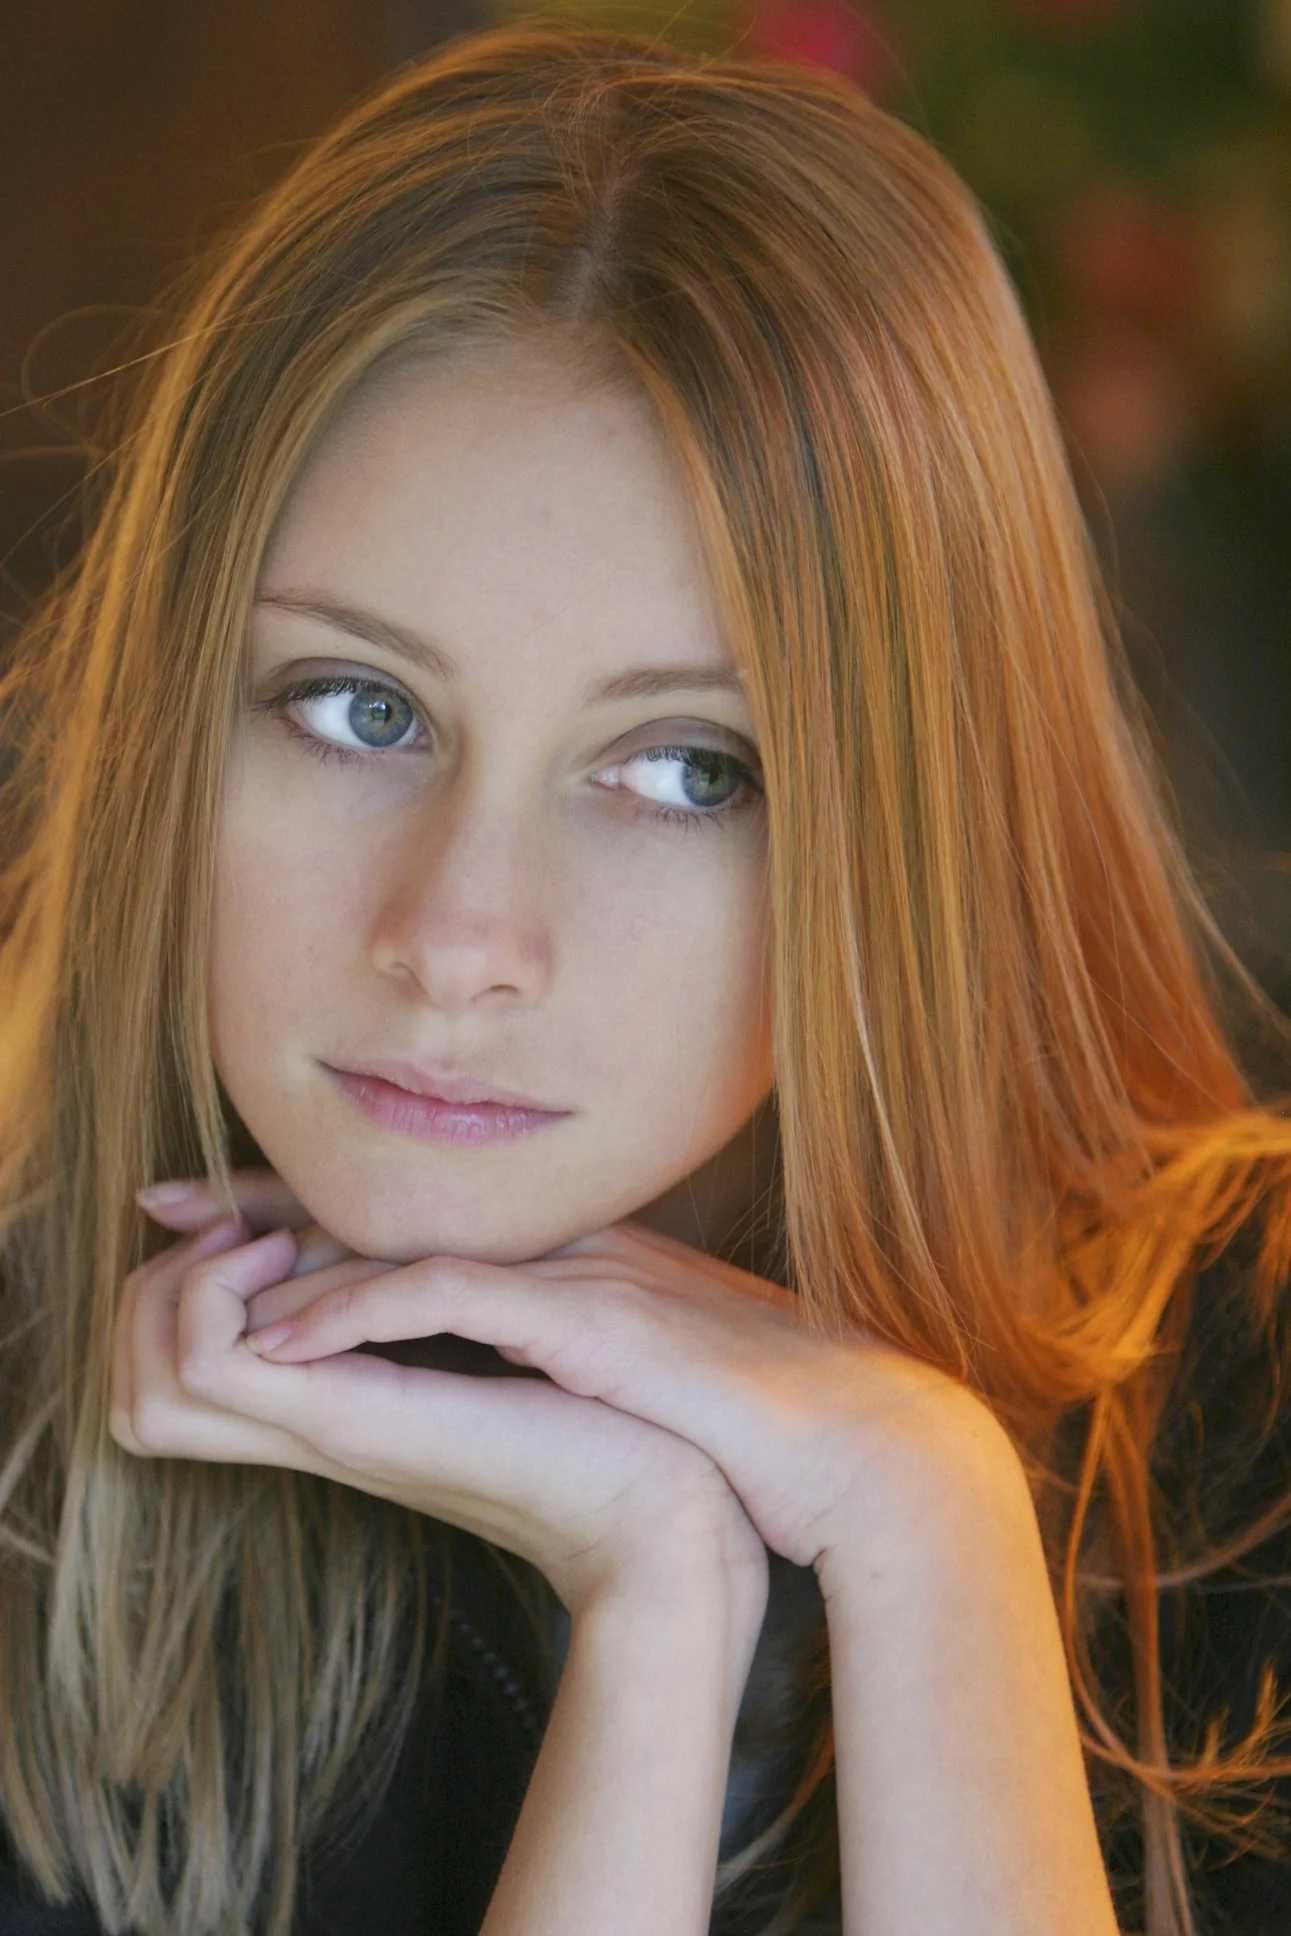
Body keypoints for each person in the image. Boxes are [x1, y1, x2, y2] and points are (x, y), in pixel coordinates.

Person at [1, 20, 1290, 1936]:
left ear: (910, 811)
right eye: (355, 708)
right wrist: (658, 1599)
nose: (455, 939)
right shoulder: (39, 1419)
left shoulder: (1251, 1397)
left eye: (689, 769)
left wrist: (924, 1537)